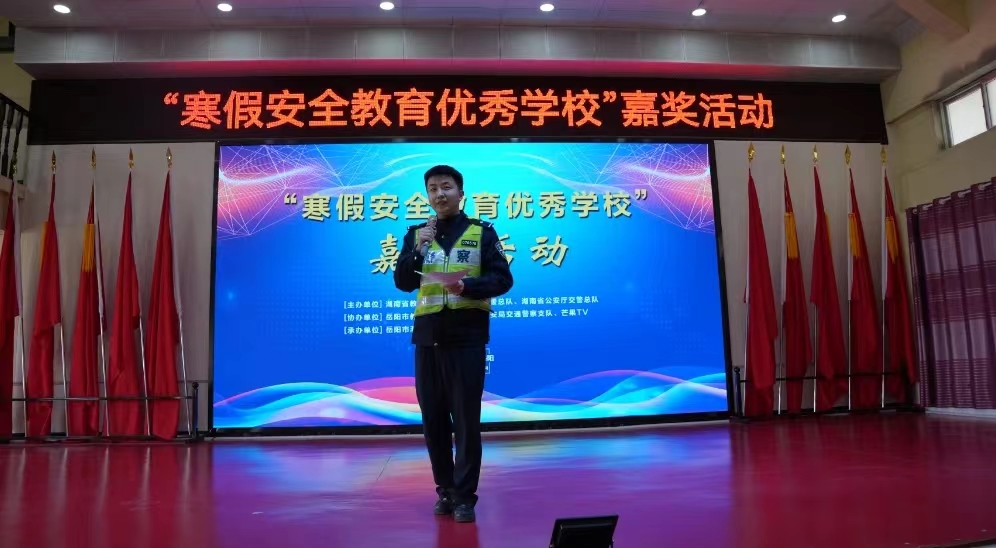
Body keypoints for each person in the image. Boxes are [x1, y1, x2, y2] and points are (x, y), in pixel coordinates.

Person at [394, 165, 513, 523]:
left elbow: (503, 279)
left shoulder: (481, 232)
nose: (439, 194)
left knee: (465, 420)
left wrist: (467, 287)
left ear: (461, 193)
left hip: (466, 338)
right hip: (427, 339)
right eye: (432, 189)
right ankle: (444, 490)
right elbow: (402, 281)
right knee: (433, 420)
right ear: (427, 196)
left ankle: (464, 497)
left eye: (446, 187)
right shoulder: (416, 234)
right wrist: (418, 250)